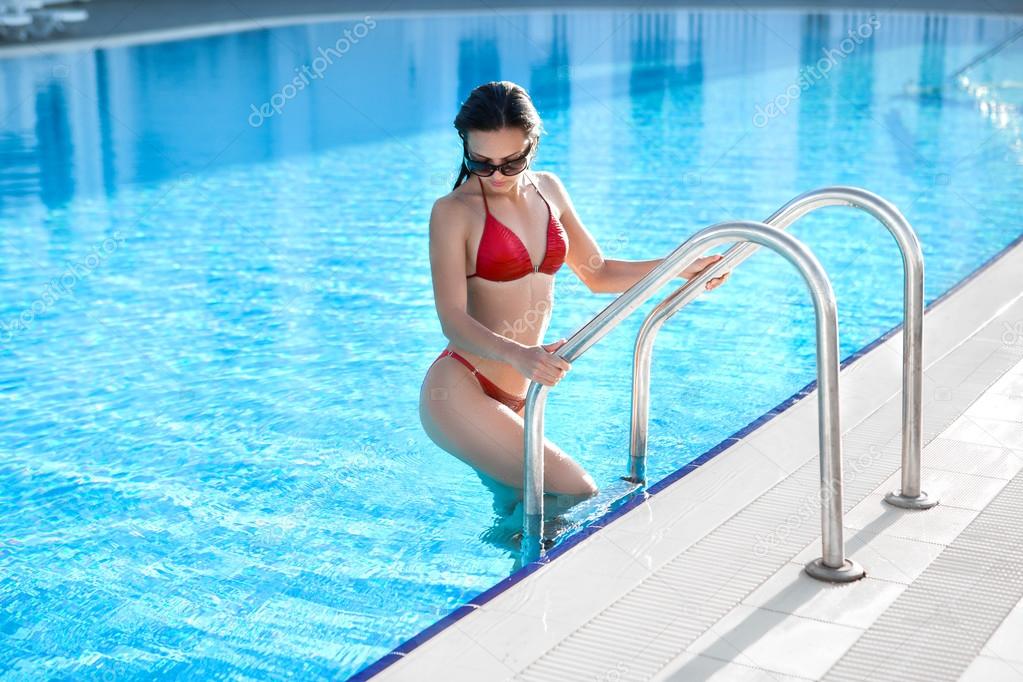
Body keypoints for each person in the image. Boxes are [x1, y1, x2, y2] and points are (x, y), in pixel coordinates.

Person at [419, 80, 729, 507]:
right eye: (481, 162)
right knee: (575, 490)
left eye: (511, 163)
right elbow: (452, 319)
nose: (495, 176)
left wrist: (679, 268)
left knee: (518, 512)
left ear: (533, 144)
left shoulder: (549, 190)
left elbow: (597, 273)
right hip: (462, 389)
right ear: (465, 148)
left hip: (519, 392)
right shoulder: (453, 212)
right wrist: (520, 354)